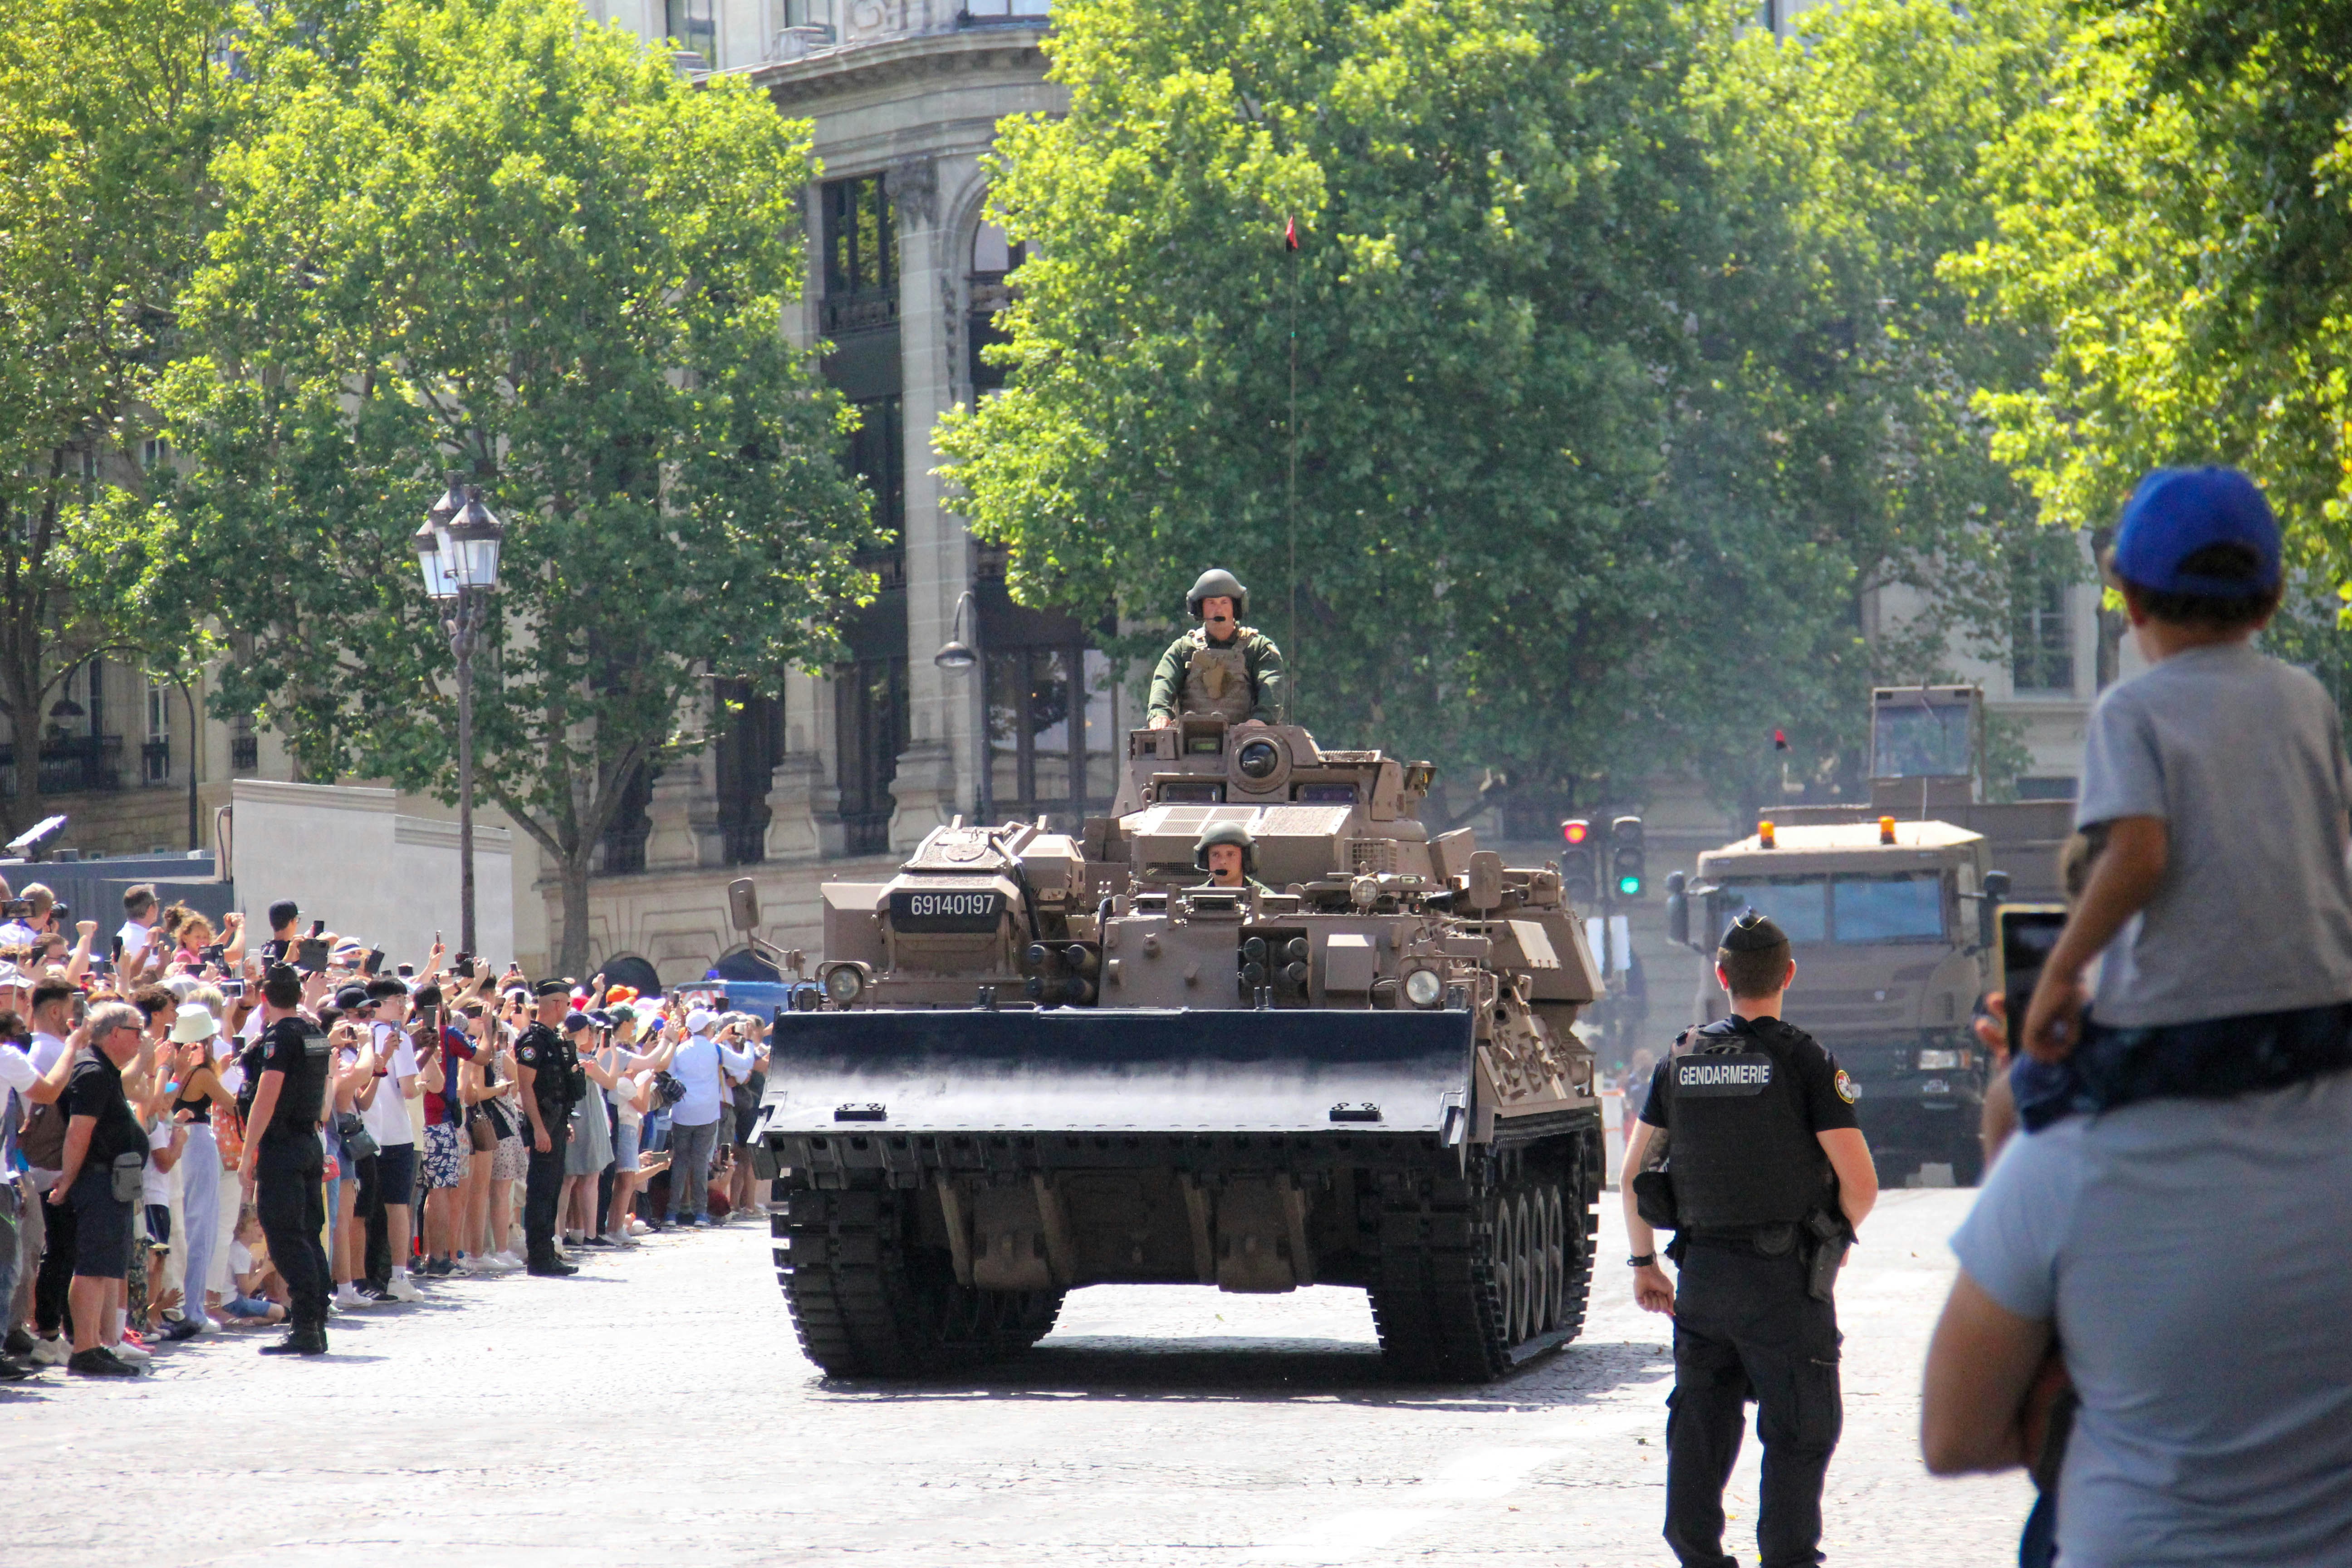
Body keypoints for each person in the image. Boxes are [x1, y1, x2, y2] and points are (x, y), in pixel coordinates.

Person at [2016, 465, 2352, 1122]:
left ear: (2132, 601)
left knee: (2027, 1096)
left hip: (2179, 1026)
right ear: (2274, 597)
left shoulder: (2131, 711)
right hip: (2318, 1015)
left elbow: (2139, 857)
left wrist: (2060, 975)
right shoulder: (2307, 699)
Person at [1620, 911, 1878, 1568]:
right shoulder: (1807, 1061)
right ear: (1788, 975)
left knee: (1700, 1430)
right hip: (1786, 1283)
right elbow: (1861, 1184)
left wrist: (1645, 1264)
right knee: (1798, 1432)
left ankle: (1698, 1555)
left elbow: (1634, 1176)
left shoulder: (1681, 1058)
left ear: (1721, 976)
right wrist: (1832, 1243)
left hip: (1703, 1281)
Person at [49, 1002, 153, 1376]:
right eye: (136, 1031)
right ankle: (86, 1348)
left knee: (104, 1265)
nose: (142, 1039)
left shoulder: (104, 1069)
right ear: (114, 1034)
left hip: (111, 1180)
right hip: (97, 1179)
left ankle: (95, 1342)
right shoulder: (92, 1070)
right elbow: (80, 1132)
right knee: (92, 1266)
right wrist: (70, 1178)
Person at [238, 964, 334, 1356]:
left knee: (285, 1236)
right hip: (310, 1140)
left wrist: (248, 1153)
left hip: (283, 1146)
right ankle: (314, 1320)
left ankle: (306, 1326)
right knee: (308, 1235)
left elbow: (267, 1094)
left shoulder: (280, 1037)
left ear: (264, 998)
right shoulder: (315, 1033)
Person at [163, 1003, 235, 1338]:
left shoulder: (172, 1069)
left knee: (183, 1224)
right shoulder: (202, 1074)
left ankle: (183, 1305)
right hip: (198, 1141)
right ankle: (193, 1308)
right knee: (200, 1227)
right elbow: (233, 1105)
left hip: (175, 1139)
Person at [1145, 568, 1288, 729]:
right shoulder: (1185, 649)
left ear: (1236, 607)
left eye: (1224, 602)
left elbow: (1271, 684)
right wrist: (1159, 713)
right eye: (1211, 603)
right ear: (1200, 608)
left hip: (1245, 741)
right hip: (1190, 740)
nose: (1218, 610)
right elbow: (1164, 680)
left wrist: (1262, 719)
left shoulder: (1257, 648)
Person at [662, 1005, 754, 1230]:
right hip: (707, 1113)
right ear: (707, 1028)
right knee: (701, 1162)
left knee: (681, 1161)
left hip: (683, 1111)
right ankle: (700, 1213)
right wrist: (749, 1042)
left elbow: (670, 1073)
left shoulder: (681, 1049)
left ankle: (673, 1213)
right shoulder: (716, 1051)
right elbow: (745, 1064)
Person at [514, 978, 582, 1276]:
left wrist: (560, 1123)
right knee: (541, 1191)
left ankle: (548, 1254)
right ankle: (539, 1258)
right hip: (542, 1125)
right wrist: (539, 1129)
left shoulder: (552, 1037)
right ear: (556, 1004)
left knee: (552, 1189)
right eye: (567, 1003)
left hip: (554, 1123)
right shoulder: (533, 1039)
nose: (569, 1009)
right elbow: (526, 1087)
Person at [1192, 820, 1272, 894]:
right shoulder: (1192, 900)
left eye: (1231, 854)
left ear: (1245, 859)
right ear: (1206, 860)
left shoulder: (1267, 902)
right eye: (1215, 855)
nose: (1223, 861)